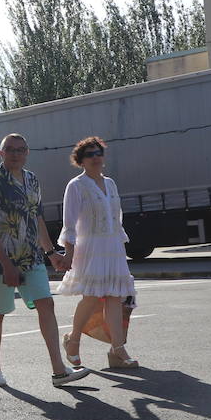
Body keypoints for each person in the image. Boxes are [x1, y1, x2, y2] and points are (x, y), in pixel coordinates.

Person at [0, 132, 88, 388]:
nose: (16, 154)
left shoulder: (32, 181)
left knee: (46, 304)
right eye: (11, 149)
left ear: (27, 153)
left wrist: (51, 254)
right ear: (1, 153)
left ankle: (59, 371)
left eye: (21, 149)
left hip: (31, 257)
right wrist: (6, 265)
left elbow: (37, 220)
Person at [55, 136, 140, 371]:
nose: (95, 158)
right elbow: (69, 224)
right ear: (80, 161)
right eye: (89, 155)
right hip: (90, 249)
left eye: (98, 153)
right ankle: (73, 340)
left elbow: (116, 218)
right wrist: (69, 254)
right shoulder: (76, 186)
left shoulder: (110, 183)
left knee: (114, 296)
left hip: (112, 247)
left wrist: (120, 245)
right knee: (91, 297)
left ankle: (117, 349)